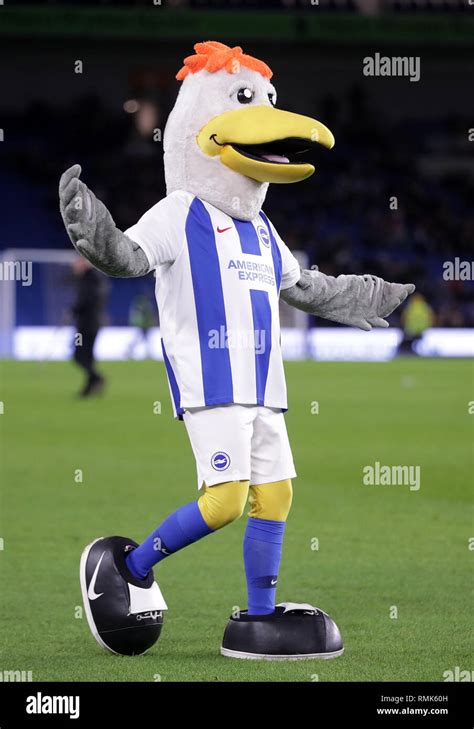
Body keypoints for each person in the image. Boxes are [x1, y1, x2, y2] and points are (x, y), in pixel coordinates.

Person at [59, 41, 414, 659]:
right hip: (210, 382)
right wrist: (97, 236)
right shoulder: (180, 212)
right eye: (247, 100)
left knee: (275, 494)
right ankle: (128, 568)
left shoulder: (263, 228)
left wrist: (356, 299)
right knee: (224, 501)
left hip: (265, 388)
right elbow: (129, 257)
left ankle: (257, 617)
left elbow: (303, 286)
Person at [71, 256, 107, 397]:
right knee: (87, 356)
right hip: (91, 323)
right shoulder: (94, 280)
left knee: (79, 356)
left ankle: (96, 378)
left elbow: (86, 301)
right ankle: (90, 386)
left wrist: (74, 310)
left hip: (87, 325)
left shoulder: (89, 280)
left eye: (77, 264)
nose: (74, 267)